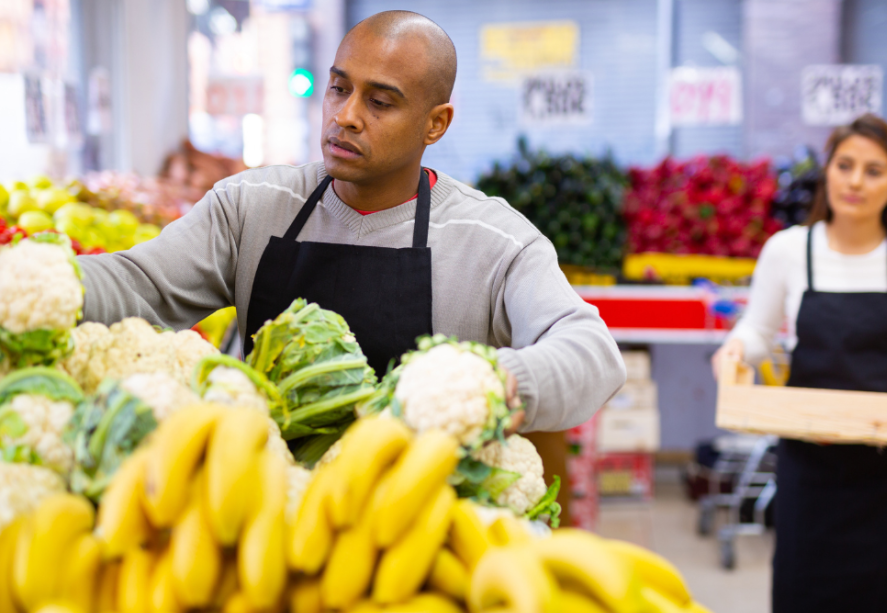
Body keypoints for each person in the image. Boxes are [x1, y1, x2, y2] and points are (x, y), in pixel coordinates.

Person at [76, 10, 625, 433]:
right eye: (339, 88)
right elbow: (137, 285)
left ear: (436, 124)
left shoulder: (493, 243)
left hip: (407, 526)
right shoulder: (250, 207)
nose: (345, 115)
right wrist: (48, 280)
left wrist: (496, 383)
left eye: (380, 102)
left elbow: (591, 354)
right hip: (259, 502)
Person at [712, 114, 887, 613]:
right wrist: (735, 351)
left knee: (882, 594)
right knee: (802, 589)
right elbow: (758, 332)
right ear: (827, 170)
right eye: (845, 165)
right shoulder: (789, 249)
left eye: (874, 171)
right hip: (812, 465)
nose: (855, 181)